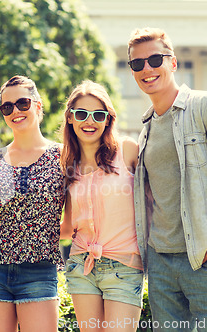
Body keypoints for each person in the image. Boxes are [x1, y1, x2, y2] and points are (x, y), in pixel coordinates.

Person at [127, 27, 207, 331]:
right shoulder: (146, 126)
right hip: (161, 263)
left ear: (173, 63)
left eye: (155, 59)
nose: (147, 69)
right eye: (137, 64)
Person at [0, 75, 65, 332]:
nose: (15, 111)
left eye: (22, 103)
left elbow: (76, 215)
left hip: (39, 269)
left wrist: (46, 238)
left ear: (37, 105)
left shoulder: (62, 155)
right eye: (7, 107)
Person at [60, 81, 142, 332]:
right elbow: (68, 227)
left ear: (108, 120)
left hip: (124, 265)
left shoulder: (127, 151)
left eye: (98, 115)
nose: (90, 121)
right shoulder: (67, 164)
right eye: (82, 114)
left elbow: (156, 200)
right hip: (81, 264)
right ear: (71, 118)